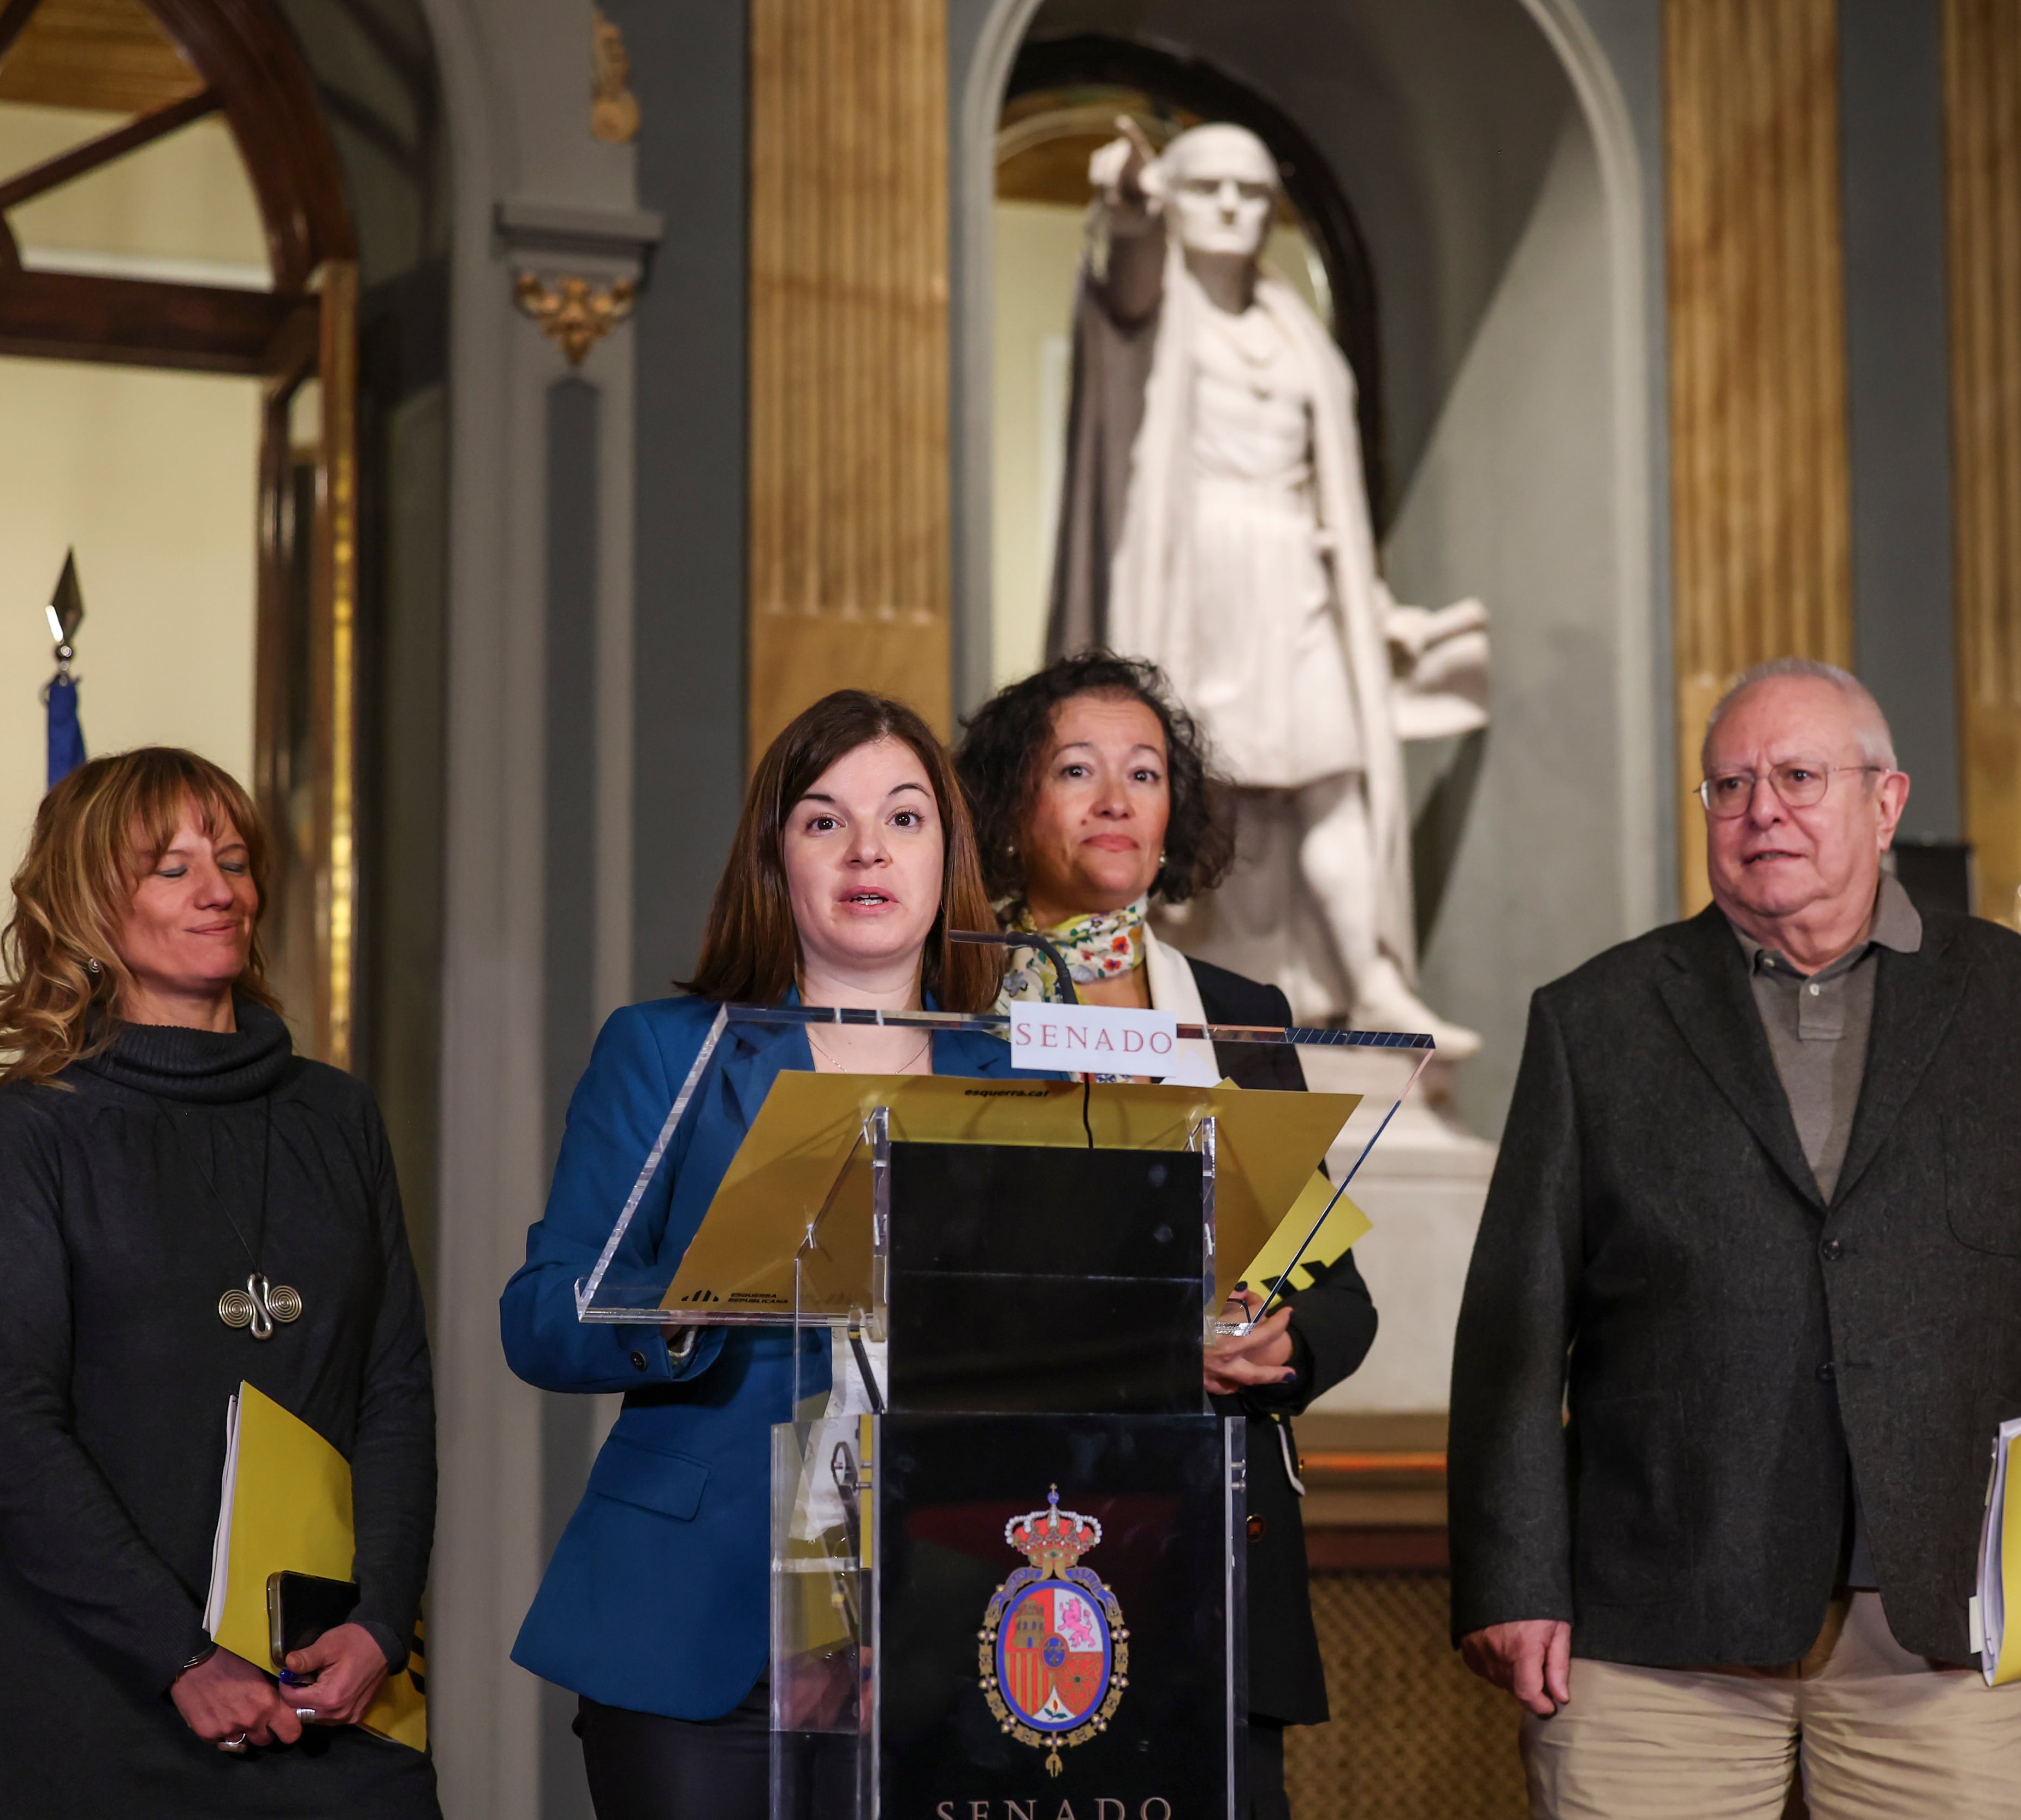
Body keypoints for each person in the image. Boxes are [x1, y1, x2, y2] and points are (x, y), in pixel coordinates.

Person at [1448, 660, 2021, 1819]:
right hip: (1654, 1638)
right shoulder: (1592, 1022)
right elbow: (1512, 1333)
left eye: (1799, 776)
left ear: (1886, 801)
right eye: (1730, 786)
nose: (1763, 811)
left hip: (1948, 1633)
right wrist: (1509, 1578)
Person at [505, 690, 1030, 1820]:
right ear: (774, 856)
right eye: (822, 821)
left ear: (949, 855)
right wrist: (703, 1298)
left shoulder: (1020, 1076)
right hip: (701, 1629)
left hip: (957, 1622)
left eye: (903, 817)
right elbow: (544, 1312)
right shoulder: (668, 1050)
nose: (866, 850)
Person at [0, 748, 437, 1818]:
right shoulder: (35, 1132)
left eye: (234, 856)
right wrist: (180, 1655)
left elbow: (394, 1390)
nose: (222, 887)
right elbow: (15, 1431)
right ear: (86, 902)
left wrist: (380, 1622)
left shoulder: (337, 1116)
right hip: (100, 1699)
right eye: (171, 866)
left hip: (334, 1694)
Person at [957, 650, 1378, 1820]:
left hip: (1215, 1559)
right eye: (1076, 769)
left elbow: (1337, 1293)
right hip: (999, 1549)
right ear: (1005, 808)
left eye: (1143, 772)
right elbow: (947, 1299)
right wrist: (1155, 1344)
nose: (1115, 799)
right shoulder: (949, 1005)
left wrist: (1278, 1341)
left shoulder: (1244, 1017)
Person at [1047, 115, 1487, 1054]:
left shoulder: (1296, 330)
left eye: (1254, 193)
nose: (1236, 209)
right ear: (1175, 197)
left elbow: (1332, 495)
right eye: (1211, 188)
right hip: (1195, 576)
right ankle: (1153, 981)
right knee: (1187, 784)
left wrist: (1374, 612)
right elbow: (1125, 274)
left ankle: (1373, 980)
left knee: (1334, 777)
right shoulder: (1158, 306)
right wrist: (1127, 199)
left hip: (1295, 576)